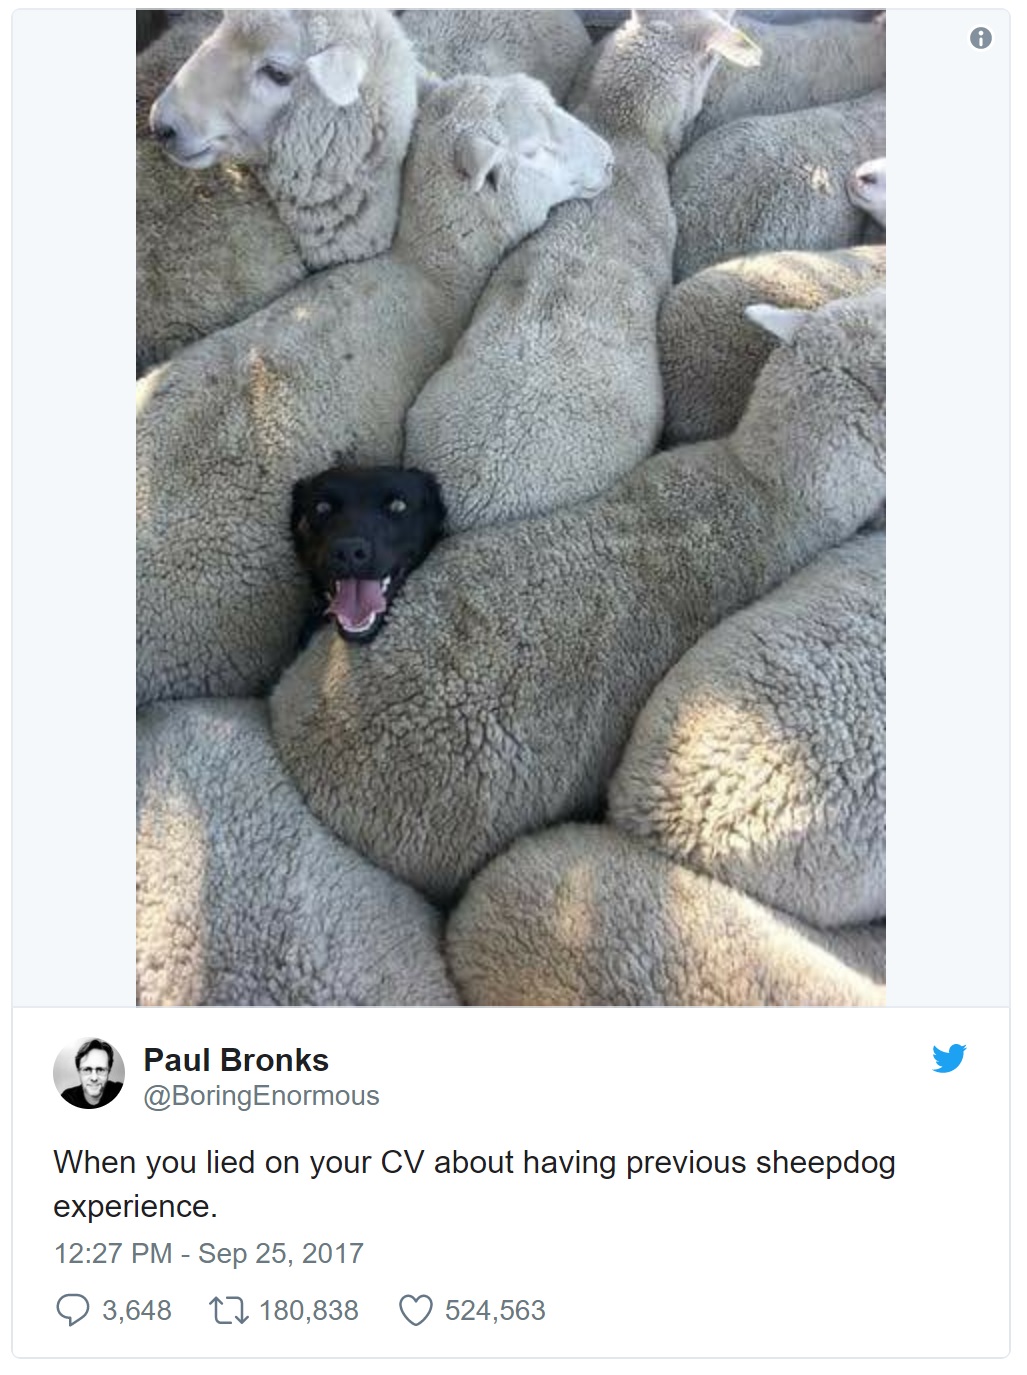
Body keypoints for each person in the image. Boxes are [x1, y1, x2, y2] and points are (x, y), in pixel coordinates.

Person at [61, 1039, 123, 1109]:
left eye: (100, 1070)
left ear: (109, 1071)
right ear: (79, 1071)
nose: (94, 1078)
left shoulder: (119, 1091)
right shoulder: (68, 1099)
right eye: (87, 1069)